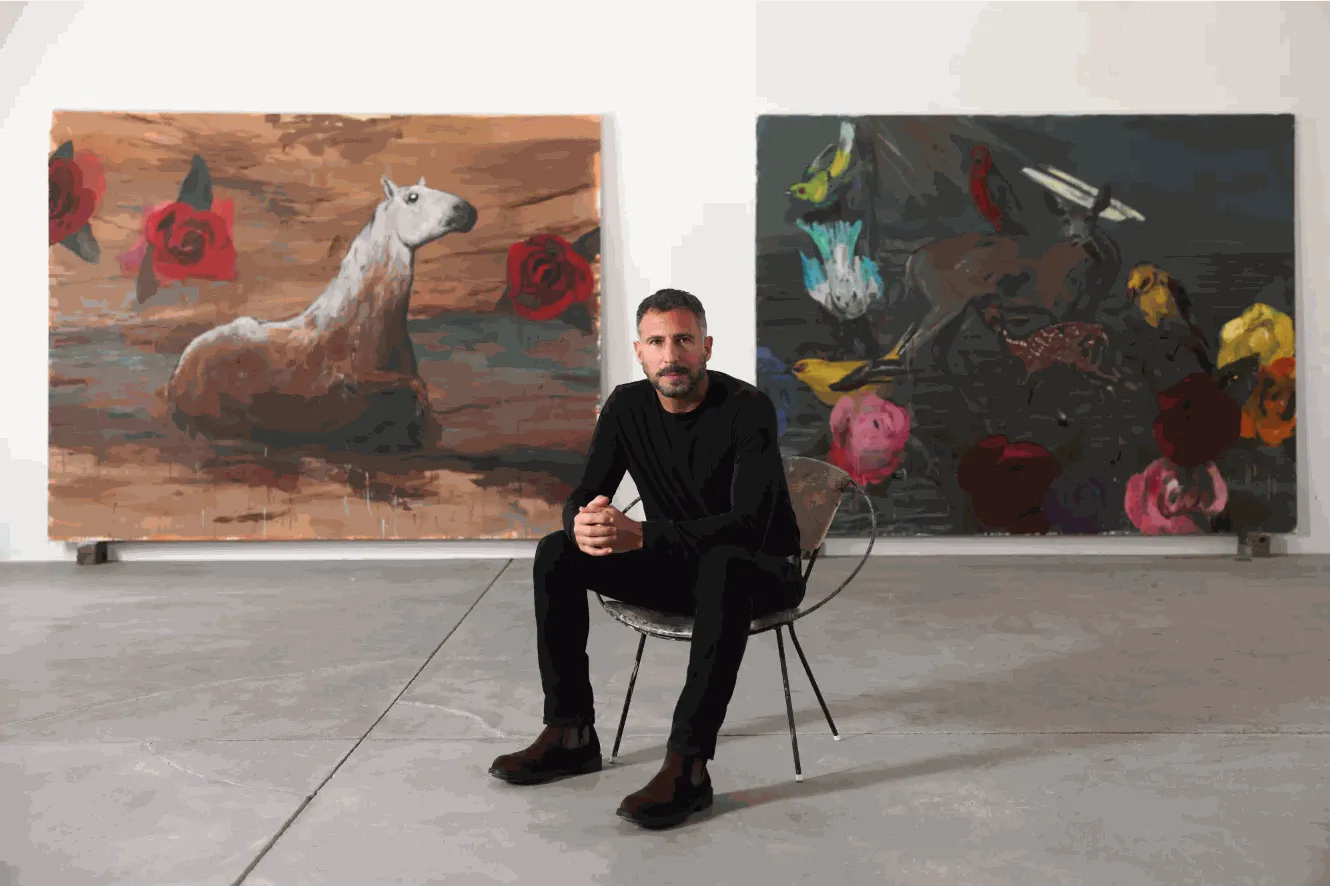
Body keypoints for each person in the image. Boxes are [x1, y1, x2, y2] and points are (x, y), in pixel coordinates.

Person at [488, 288, 806, 830]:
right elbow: (585, 492)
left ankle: (688, 767)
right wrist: (579, 521)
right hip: (677, 567)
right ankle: (570, 733)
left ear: (706, 347)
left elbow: (749, 526)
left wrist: (641, 535)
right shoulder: (626, 406)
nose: (670, 355)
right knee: (557, 551)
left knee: (723, 565)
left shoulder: (746, 407)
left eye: (683, 340)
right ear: (639, 351)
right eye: (656, 342)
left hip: (761, 571)